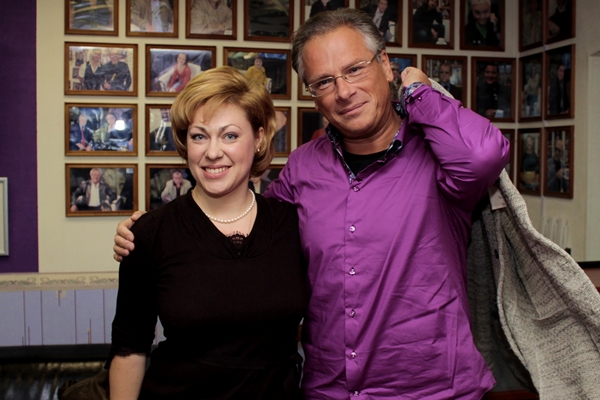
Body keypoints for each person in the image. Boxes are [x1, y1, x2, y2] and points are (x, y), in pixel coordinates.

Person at [114, 9, 510, 398]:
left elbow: (484, 156)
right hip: (328, 390)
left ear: (385, 64)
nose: (343, 91)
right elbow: (249, 228)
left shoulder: (440, 157)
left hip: (430, 391)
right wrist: (149, 234)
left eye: (355, 69)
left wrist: (420, 92)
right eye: (323, 81)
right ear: (314, 96)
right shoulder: (304, 166)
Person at [108, 66, 308, 399]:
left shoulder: (293, 225)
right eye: (199, 136)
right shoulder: (149, 234)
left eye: (230, 135)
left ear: (259, 138)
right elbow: (130, 348)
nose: (212, 152)